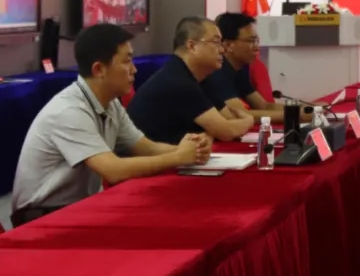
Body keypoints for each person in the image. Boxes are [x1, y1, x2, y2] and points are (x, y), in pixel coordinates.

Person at [10, 24, 211, 227]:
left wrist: (191, 149)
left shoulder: (111, 103)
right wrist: (178, 157)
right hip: (41, 217)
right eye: (127, 61)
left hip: (77, 208)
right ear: (99, 69)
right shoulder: (69, 111)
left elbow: (147, 148)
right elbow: (113, 170)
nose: (134, 69)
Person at [127, 16, 255, 144]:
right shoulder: (177, 80)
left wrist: (221, 129)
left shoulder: (201, 77)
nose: (222, 50)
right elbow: (226, 131)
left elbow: (229, 118)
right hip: (149, 154)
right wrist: (249, 120)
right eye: (216, 42)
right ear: (192, 46)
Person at [205, 12, 317, 123]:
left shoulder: (241, 68)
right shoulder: (216, 71)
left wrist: (310, 108)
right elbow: (240, 114)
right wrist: (294, 115)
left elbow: (264, 106)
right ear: (228, 45)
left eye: (257, 41)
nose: (257, 47)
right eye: (251, 41)